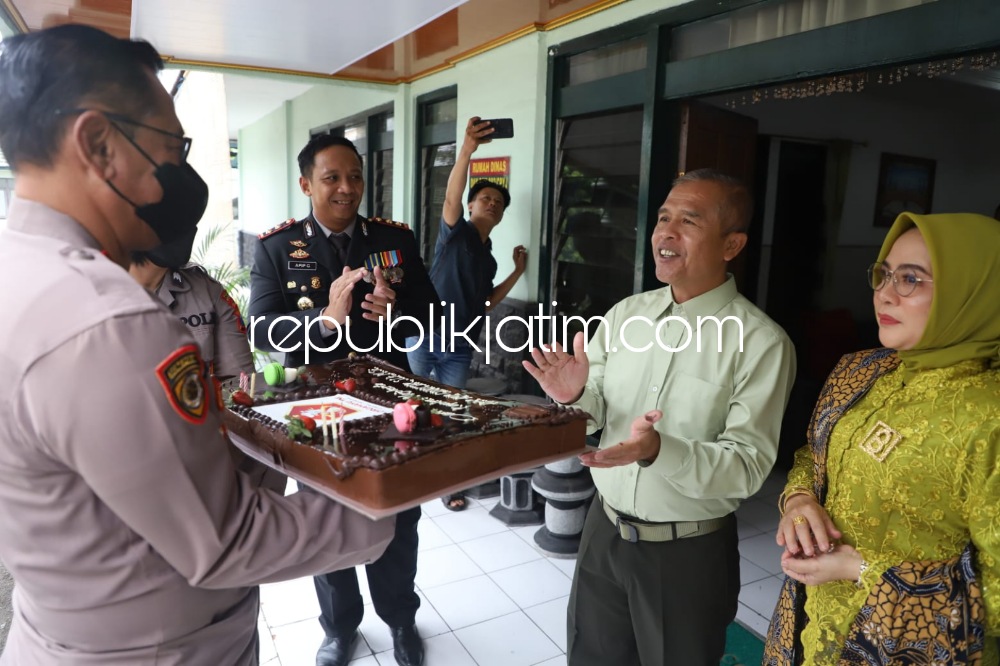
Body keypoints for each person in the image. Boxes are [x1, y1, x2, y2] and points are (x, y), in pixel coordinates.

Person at [0, 25, 394, 666]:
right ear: (97, 144)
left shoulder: (17, 273)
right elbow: (225, 541)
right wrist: (384, 496)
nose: (175, 178)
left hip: (64, 632)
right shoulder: (113, 325)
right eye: (170, 147)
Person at [523, 168, 796, 666]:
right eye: (663, 218)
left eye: (688, 221)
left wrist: (658, 451)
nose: (666, 233)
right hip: (603, 530)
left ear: (731, 244)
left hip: (687, 554)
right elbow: (593, 410)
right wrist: (575, 395)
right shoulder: (625, 316)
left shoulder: (761, 343)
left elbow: (747, 466)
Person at [763, 212, 1000, 666]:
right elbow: (813, 456)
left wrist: (862, 571)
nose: (884, 294)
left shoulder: (989, 419)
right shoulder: (864, 370)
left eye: (910, 279)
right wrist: (798, 500)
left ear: (971, 292)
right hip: (808, 626)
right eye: (884, 274)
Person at [248, 134, 437, 666]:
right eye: (332, 178)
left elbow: (432, 314)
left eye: (354, 176)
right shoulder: (277, 247)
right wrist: (324, 320)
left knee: (399, 516)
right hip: (317, 408)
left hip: (389, 403)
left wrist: (398, 311)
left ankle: (400, 620)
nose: (347, 188)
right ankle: (339, 627)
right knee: (326, 514)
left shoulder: (394, 238)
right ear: (307, 184)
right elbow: (262, 329)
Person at [406, 116, 527, 511]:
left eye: (498, 203)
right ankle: (405, 471)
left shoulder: (489, 259)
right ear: (472, 205)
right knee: (411, 404)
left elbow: (487, 302)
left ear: (501, 215)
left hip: (459, 348)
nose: (492, 204)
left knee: (450, 412)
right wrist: (467, 151)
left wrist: (517, 272)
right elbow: (449, 199)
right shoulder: (455, 234)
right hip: (424, 335)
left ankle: (445, 482)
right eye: (485, 199)